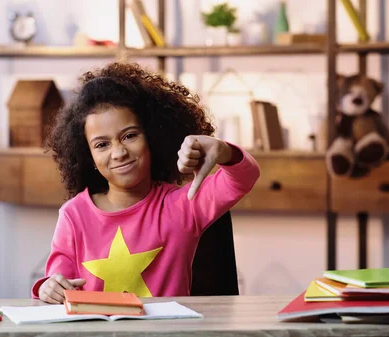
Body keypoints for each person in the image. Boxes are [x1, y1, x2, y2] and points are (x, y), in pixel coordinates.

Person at [31, 62, 260, 304]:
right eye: (102, 144)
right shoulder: (74, 215)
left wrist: (223, 151)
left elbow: (244, 178)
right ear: (88, 157)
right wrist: (47, 288)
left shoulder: (184, 205)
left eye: (129, 136)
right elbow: (57, 285)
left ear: (152, 137)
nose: (118, 153)